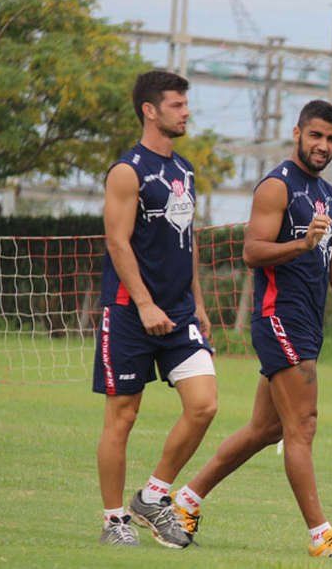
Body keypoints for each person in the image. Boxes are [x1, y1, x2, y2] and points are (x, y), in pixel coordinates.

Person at [170, 100, 332, 559]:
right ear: (297, 133)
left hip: (307, 323)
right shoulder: (276, 187)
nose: (323, 146)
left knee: (265, 429)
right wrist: (302, 242)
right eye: (316, 136)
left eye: (331, 138)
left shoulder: (328, 195)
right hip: (278, 318)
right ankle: (321, 535)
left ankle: (186, 501)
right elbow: (252, 252)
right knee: (302, 426)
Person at [94, 70, 217, 548]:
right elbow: (117, 243)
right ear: (150, 110)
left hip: (180, 313)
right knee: (122, 417)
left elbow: (187, 243)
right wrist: (144, 304)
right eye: (177, 105)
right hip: (130, 312)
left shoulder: (184, 171)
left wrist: (199, 303)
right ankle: (113, 520)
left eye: (186, 104)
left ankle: (152, 495)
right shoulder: (128, 171)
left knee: (204, 405)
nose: (186, 112)